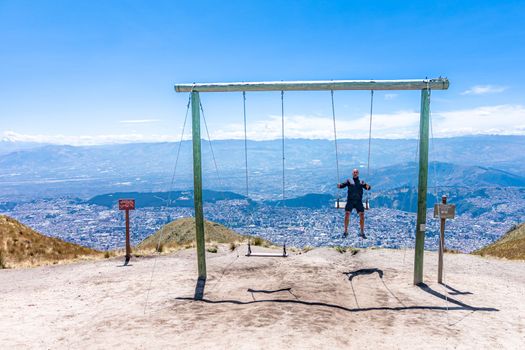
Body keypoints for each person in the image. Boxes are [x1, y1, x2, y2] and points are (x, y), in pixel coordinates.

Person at [337, 168, 371, 238]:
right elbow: (343, 185)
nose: (355, 173)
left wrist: (368, 187)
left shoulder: (361, 182)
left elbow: (367, 187)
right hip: (350, 201)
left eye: (356, 172)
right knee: (347, 214)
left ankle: (362, 232)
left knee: (362, 215)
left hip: (358, 201)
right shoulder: (349, 181)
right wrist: (339, 186)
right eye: (354, 172)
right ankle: (345, 231)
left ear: (358, 174)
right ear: (352, 173)